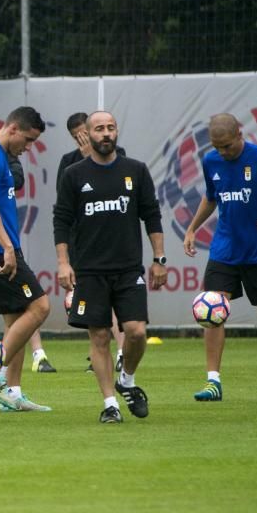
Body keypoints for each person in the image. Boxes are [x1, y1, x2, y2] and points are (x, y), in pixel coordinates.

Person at [53, 111, 167, 423]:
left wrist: (159, 259)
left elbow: (152, 215)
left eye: (111, 128)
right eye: (99, 129)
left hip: (129, 269)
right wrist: (63, 263)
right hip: (89, 270)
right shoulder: (74, 174)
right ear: (87, 134)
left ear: (117, 132)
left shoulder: (136, 170)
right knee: (99, 337)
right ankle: (110, 405)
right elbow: (61, 220)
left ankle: (127, 380)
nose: (106, 133)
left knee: (136, 331)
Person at [182, 113, 257, 403]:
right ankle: (213, 382)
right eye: (218, 147)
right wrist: (192, 228)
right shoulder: (211, 161)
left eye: (227, 146)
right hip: (225, 248)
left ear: (240, 134)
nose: (223, 152)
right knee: (213, 308)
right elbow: (212, 196)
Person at [0, 106, 53, 412]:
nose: (28, 147)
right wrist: (6, 247)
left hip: (0, 249)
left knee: (17, 318)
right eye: (27, 140)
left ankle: (11, 393)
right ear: (13, 128)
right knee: (40, 306)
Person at [57, 111, 128, 373]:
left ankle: (122, 352)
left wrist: (92, 158)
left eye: (86, 133)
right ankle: (99, 355)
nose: (84, 139)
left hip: (115, 244)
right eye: (78, 136)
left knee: (118, 302)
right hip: (83, 246)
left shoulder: (118, 155)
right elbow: (65, 208)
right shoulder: (68, 163)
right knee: (93, 308)